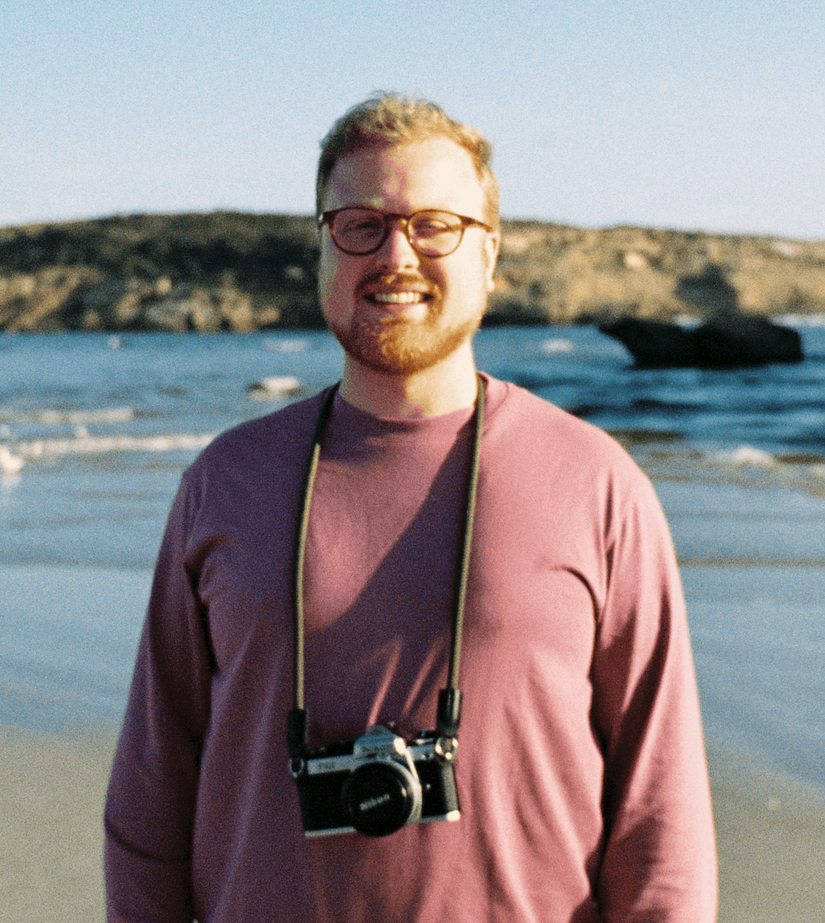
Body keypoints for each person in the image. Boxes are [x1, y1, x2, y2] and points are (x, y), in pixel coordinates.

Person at [104, 92, 717, 923]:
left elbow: (662, 819)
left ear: (489, 255)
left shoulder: (598, 487)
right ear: (322, 249)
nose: (396, 253)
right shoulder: (225, 483)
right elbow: (150, 793)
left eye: (435, 225)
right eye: (359, 224)